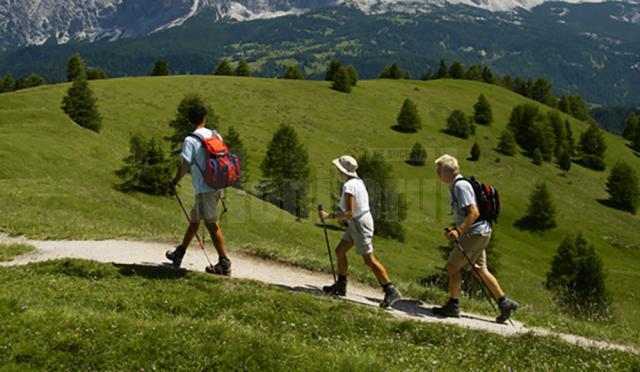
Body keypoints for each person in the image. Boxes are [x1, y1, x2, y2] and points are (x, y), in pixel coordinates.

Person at [432, 154, 518, 323]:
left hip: (475, 233)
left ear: (446, 171)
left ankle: (453, 305)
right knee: (480, 270)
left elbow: (474, 212)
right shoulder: (458, 185)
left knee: (452, 267)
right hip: (481, 232)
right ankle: (505, 303)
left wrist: (458, 230)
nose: (437, 173)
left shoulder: (460, 187)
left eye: (438, 170)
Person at [319, 155, 401, 309]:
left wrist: (329, 216)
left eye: (338, 168)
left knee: (369, 260)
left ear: (342, 170)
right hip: (358, 222)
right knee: (340, 251)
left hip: (359, 224)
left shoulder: (349, 186)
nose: (336, 171)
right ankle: (341, 285)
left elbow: (349, 212)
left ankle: (390, 290)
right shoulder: (358, 182)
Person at [165, 103, 232, 275]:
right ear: (204, 118)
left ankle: (224, 263)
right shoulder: (215, 135)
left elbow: (185, 165)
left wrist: (174, 181)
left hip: (204, 189)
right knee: (195, 219)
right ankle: (180, 253)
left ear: (189, 121)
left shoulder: (190, 140)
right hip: (218, 185)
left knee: (211, 224)